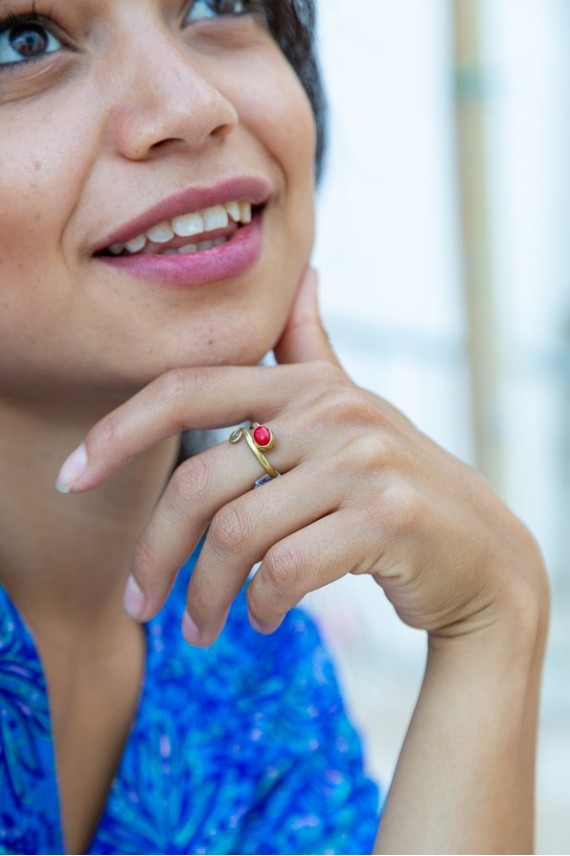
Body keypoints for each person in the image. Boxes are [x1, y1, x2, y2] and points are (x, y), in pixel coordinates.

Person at [0, 0, 549, 853]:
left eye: (219, 4)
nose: (193, 105)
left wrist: (494, 622)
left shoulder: (252, 653)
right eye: (21, 42)